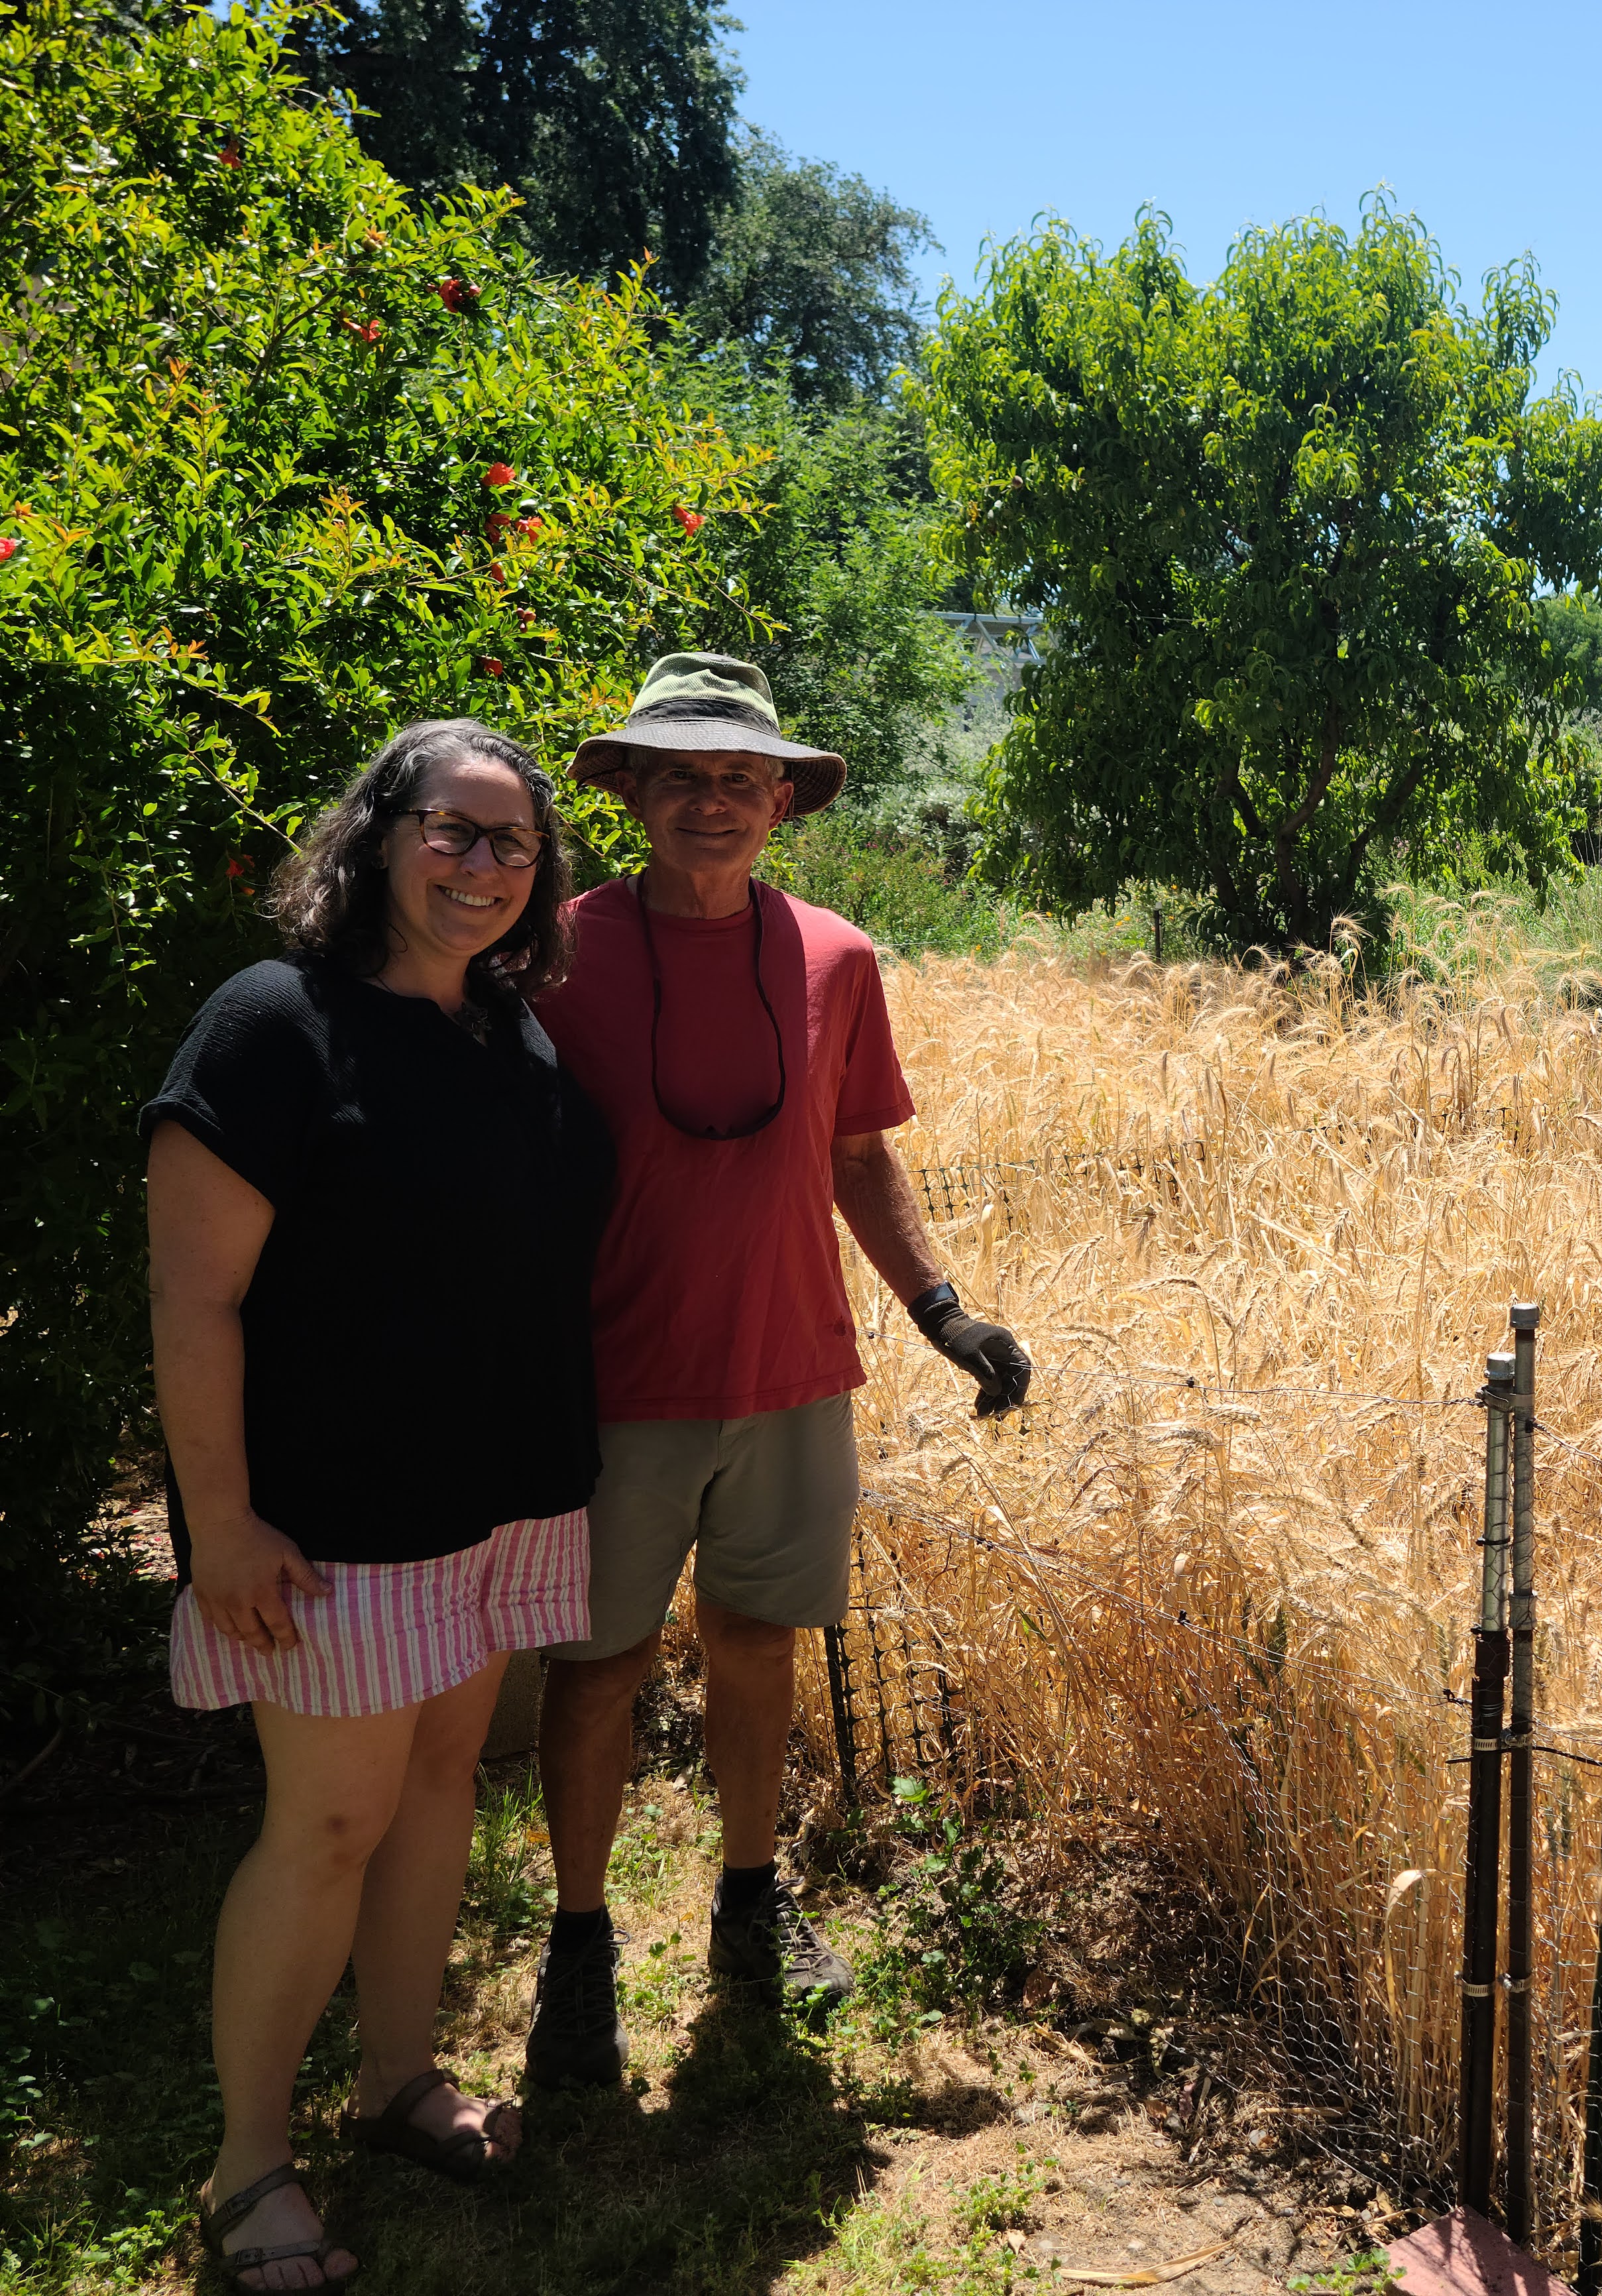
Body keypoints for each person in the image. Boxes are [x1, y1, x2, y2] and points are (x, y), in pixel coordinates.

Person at [149, 722, 614, 2291]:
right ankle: (246, 2165)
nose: (483, 866)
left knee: (433, 1789)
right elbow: (194, 1301)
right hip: (333, 1517)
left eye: (514, 844)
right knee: (329, 1820)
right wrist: (220, 1527)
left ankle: (397, 2080)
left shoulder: (508, 1034)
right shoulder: (270, 1025)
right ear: (379, 836)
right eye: (453, 831)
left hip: (492, 1502)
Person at [522, 654, 1029, 2091]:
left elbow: (859, 1154)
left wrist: (941, 1310)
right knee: (602, 1664)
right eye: (680, 773)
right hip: (612, 1381)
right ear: (626, 788)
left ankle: (750, 1897)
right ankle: (577, 1943)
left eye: (740, 778)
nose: (712, 801)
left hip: (792, 1373)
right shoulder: (552, 953)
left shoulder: (835, 957)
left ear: (782, 802)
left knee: (757, 1643)